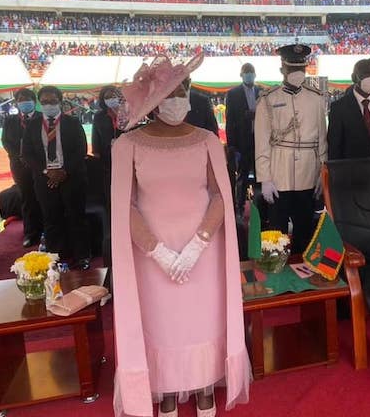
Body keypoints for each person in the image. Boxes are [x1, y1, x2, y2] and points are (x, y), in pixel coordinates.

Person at [111, 55, 250, 417]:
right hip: (152, 254)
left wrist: (198, 244)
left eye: (185, 91)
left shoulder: (206, 140)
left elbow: (221, 194)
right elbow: (124, 206)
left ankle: (205, 386)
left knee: (202, 320)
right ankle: (166, 391)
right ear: (154, 101)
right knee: (163, 323)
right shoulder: (128, 145)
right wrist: (158, 252)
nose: (179, 100)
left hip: (202, 251)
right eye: (173, 93)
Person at [254, 44, 327, 254]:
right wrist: (265, 178)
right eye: (292, 69)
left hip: (308, 173)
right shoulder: (268, 100)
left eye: (301, 69)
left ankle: (304, 273)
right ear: (282, 70)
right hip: (279, 174)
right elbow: (262, 141)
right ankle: (277, 275)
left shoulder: (316, 98)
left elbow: (322, 139)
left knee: (305, 229)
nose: (297, 74)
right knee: (277, 231)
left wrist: (323, 174)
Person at [21, 86, 90, 270]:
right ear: (39, 103)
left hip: (72, 177)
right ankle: (56, 256)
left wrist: (63, 171)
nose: (48, 105)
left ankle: (82, 255)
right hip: (45, 180)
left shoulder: (73, 122)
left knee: (76, 217)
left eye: (52, 101)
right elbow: (27, 153)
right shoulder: (33, 125)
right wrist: (47, 171)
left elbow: (81, 149)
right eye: (44, 102)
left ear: (60, 101)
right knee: (51, 219)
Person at [1, 88, 43, 247]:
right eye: (20, 99)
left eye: (27, 98)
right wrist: (20, 156)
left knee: (43, 196)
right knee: (26, 197)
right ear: (17, 102)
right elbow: (6, 141)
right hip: (19, 166)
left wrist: (32, 158)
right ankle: (31, 233)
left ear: (34, 101)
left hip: (39, 165)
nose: (24, 102)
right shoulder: (10, 121)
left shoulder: (42, 118)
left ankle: (46, 229)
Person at [327, 59, 370, 160]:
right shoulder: (339, 108)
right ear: (354, 78)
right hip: (352, 170)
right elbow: (335, 146)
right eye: (366, 73)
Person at [225, 63, 260, 216]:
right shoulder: (233, 94)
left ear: (255, 74)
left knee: (261, 176)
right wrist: (231, 144)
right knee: (242, 176)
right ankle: (239, 208)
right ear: (241, 75)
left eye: (251, 72)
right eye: (246, 72)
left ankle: (260, 208)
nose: (249, 74)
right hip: (241, 143)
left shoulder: (261, 92)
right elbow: (230, 120)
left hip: (259, 142)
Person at [91, 85, 122, 202]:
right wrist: (96, 152)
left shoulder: (128, 111)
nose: (111, 99)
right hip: (106, 157)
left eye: (113, 96)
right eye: (107, 97)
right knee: (109, 188)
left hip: (126, 154)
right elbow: (96, 136)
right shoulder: (99, 116)